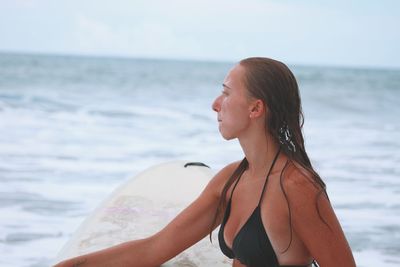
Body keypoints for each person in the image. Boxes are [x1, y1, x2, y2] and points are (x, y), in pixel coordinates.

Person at [54, 57, 356, 267]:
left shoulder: (297, 186)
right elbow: (154, 249)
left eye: (225, 93)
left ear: (255, 108)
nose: (215, 105)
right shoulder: (230, 180)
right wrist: (70, 265)